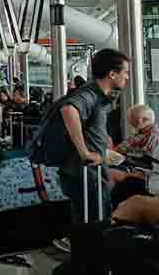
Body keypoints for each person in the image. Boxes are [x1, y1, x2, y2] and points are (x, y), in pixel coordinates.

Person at [34, 49, 130, 231]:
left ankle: (87, 255)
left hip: (86, 174)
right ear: (112, 74)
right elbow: (68, 110)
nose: (127, 77)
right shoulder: (90, 94)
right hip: (85, 174)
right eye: (125, 72)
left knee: (90, 225)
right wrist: (84, 152)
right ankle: (91, 258)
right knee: (95, 226)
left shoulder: (97, 96)